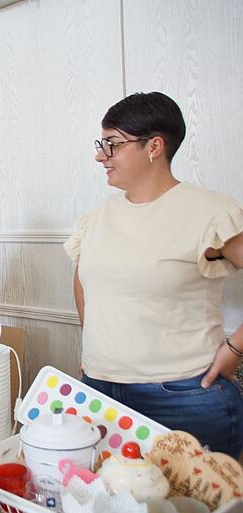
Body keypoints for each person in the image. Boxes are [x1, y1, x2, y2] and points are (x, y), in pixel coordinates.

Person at [64, 92, 243, 457]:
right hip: (101, 391)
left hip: (186, 395)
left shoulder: (210, 211)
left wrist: (236, 348)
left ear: (154, 146)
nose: (101, 156)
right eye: (102, 145)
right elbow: (84, 279)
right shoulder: (98, 217)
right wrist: (98, 346)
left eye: (112, 145)